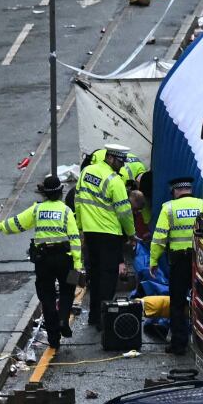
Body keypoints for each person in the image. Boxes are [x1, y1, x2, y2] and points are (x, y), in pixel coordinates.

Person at [0, 175, 82, 350]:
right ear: (61, 193)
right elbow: (75, 238)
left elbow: (18, 223)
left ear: (44, 194)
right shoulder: (66, 211)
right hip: (65, 259)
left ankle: (54, 338)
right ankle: (63, 320)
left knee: (47, 297)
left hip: (43, 260)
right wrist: (77, 264)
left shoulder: (37, 210)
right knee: (68, 290)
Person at [74, 142, 133, 333]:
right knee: (108, 278)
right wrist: (131, 234)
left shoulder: (86, 172)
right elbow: (124, 212)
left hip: (90, 233)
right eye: (120, 161)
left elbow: (79, 201)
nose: (122, 166)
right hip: (109, 234)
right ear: (110, 158)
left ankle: (93, 315)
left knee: (95, 274)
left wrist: (81, 227)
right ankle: (103, 319)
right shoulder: (114, 181)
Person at [149, 177, 203, 355]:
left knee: (178, 304)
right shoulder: (202, 205)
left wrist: (153, 261)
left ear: (175, 191)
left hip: (179, 262)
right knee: (202, 301)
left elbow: (159, 238)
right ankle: (202, 341)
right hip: (200, 261)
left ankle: (179, 344)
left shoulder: (169, 208)